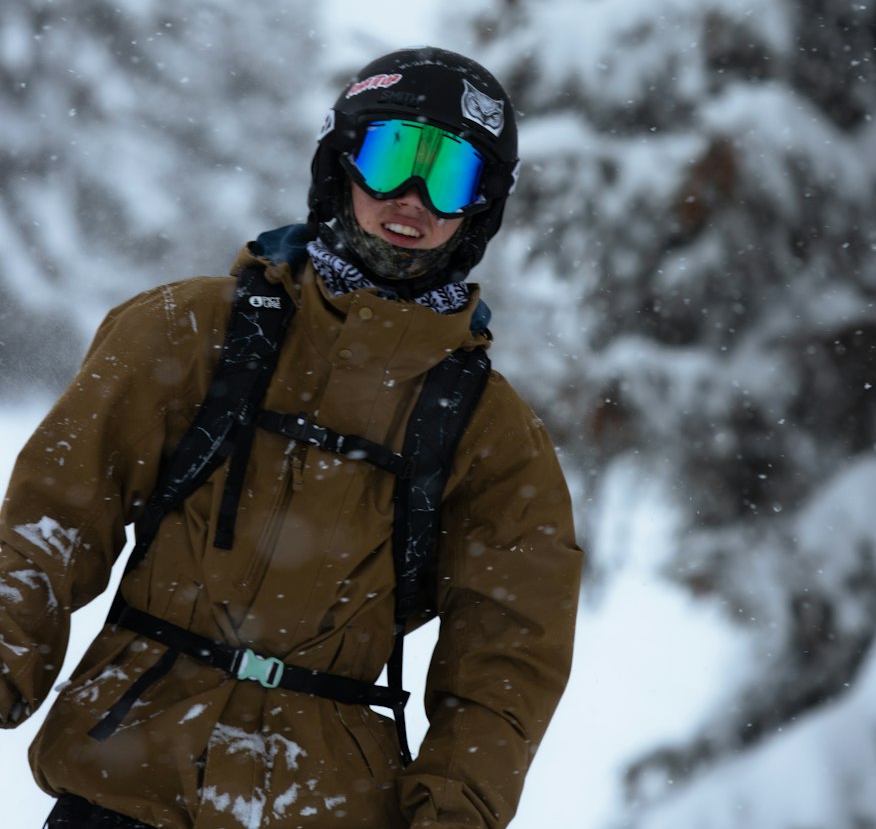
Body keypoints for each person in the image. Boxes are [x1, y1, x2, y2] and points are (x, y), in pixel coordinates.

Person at [0, 46, 583, 828]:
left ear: (480, 207)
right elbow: (54, 521)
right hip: (122, 779)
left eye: (450, 176)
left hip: (321, 806)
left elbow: (505, 663)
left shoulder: (493, 436)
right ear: (340, 162)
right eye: (391, 158)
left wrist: (454, 812)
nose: (412, 197)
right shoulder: (189, 331)